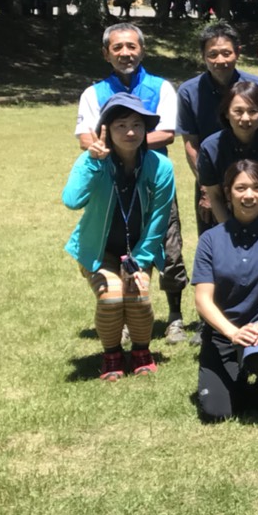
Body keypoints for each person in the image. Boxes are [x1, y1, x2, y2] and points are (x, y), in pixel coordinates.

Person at [74, 22, 189, 344]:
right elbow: (85, 138)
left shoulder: (161, 87)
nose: (125, 53)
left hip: (154, 182)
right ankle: (123, 318)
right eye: (117, 47)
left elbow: (167, 133)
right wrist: (121, 146)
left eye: (131, 46)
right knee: (117, 244)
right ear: (106, 54)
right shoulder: (93, 93)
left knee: (168, 245)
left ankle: (175, 316)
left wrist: (124, 143)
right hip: (110, 183)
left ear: (143, 50)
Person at [63, 93, 177, 381]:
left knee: (138, 295)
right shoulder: (92, 160)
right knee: (111, 296)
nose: (130, 132)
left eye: (137, 125)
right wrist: (92, 163)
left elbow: (159, 220)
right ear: (106, 129)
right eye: (121, 125)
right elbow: (71, 200)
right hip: (97, 249)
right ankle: (111, 354)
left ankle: (141, 351)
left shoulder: (160, 166)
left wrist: (140, 260)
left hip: (139, 249)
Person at [191, 160, 258, 421]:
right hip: (223, 334)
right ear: (228, 193)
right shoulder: (210, 239)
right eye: (240, 188)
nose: (249, 195)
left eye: (256, 188)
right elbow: (202, 299)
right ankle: (237, 379)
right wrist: (232, 332)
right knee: (216, 412)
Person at [177, 22, 258, 233]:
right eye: (212, 54)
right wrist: (206, 189)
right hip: (212, 181)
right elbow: (191, 145)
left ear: (237, 52)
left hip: (257, 184)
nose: (220, 60)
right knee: (217, 242)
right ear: (203, 56)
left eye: (226, 53)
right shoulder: (189, 91)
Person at [197, 81, 258, 223]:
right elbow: (215, 196)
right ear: (226, 113)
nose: (245, 118)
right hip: (227, 222)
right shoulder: (210, 148)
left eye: (253, 111)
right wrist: (229, 231)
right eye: (238, 111)